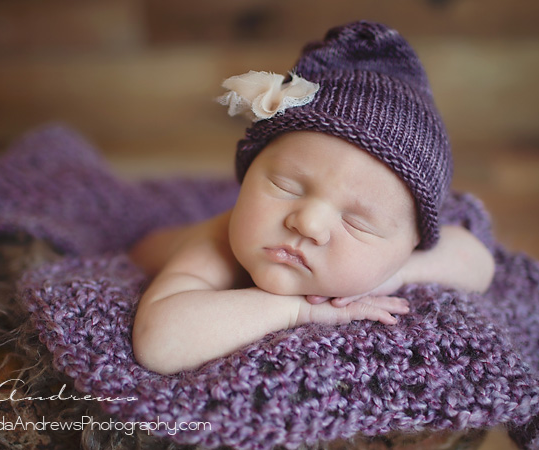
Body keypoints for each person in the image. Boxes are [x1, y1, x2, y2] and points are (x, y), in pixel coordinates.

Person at [128, 21, 495, 375]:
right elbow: (159, 341)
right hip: (145, 249)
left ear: (409, 243)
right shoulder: (216, 245)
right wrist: (295, 311)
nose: (308, 222)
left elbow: (477, 261)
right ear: (248, 173)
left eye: (357, 221)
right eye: (286, 186)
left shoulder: (392, 255)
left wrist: (387, 273)